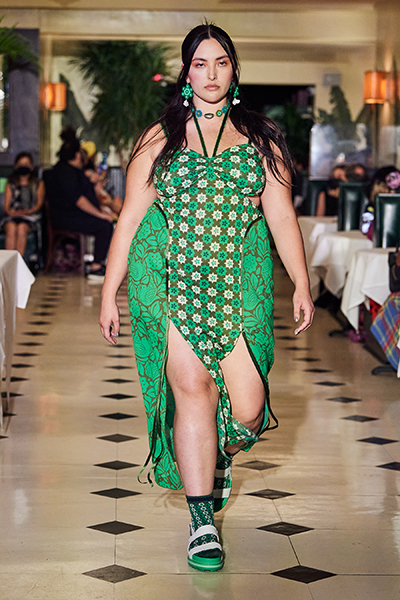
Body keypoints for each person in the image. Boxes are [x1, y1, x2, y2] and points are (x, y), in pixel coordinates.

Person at [99, 23, 314, 572]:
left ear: (234, 70)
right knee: (192, 393)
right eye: (200, 63)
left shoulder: (262, 139)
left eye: (221, 62)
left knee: (249, 408)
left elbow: (281, 216)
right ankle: (201, 523)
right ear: (186, 72)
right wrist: (108, 290)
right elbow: (130, 219)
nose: (211, 73)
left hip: (237, 292)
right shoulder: (159, 138)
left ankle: (212, 455)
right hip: (174, 289)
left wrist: (302, 282)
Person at [44, 128, 114, 282]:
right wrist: (101, 214)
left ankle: (99, 264)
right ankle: (96, 267)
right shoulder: (67, 173)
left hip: (68, 216)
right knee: (104, 225)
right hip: (67, 218)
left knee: (105, 222)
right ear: (77, 155)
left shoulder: (64, 170)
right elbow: (79, 201)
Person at [1, 152, 44, 258]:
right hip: (12, 217)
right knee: (11, 228)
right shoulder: (10, 184)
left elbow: (39, 204)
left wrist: (28, 212)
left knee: (21, 228)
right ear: (16, 166)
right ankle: (8, 262)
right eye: (21, 164)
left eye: (26, 164)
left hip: (30, 217)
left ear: (31, 166)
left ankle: (19, 262)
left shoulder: (38, 183)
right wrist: (13, 213)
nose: (23, 167)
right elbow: (6, 206)